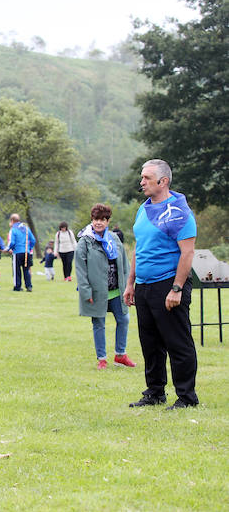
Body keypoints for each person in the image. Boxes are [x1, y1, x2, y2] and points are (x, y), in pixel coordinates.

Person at [123, 159, 199, 410]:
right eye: (142, 177)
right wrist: (131, 283)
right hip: (144, 286)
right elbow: (138, 248)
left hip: (168, 284)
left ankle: (187, 397)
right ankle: (155, 392)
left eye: (146, 177)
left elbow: (187, 254)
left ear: (163, 181)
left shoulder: (179, 212)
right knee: (150, 343)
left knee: (177, 342)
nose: (141, 181)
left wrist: (176, 288)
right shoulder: (143, 209)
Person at [75, 203, 135, 370]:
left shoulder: (114, 238)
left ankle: (120, 355)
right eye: (96, 219)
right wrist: (86, 291)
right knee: (99, 324)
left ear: (108, 221)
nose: (99, 223)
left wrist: (129, 285)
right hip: (96, 291)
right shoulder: (85, 241)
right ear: (92, 220)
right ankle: (102, 358)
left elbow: (124, 263)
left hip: (117, 290)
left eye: (102, 219)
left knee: (123, 319)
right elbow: (80, 269)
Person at [7, 213, 36, 292]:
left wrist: (8, 248)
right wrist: (29, 248)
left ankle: (17, 286)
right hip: (26, 252)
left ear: (12, 221)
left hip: (17, 253)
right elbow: (33, 240)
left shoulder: (13, 229)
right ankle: (29, 286)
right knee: (26, 270)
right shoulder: (26, 228)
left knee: (17, 270)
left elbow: (12, 242)